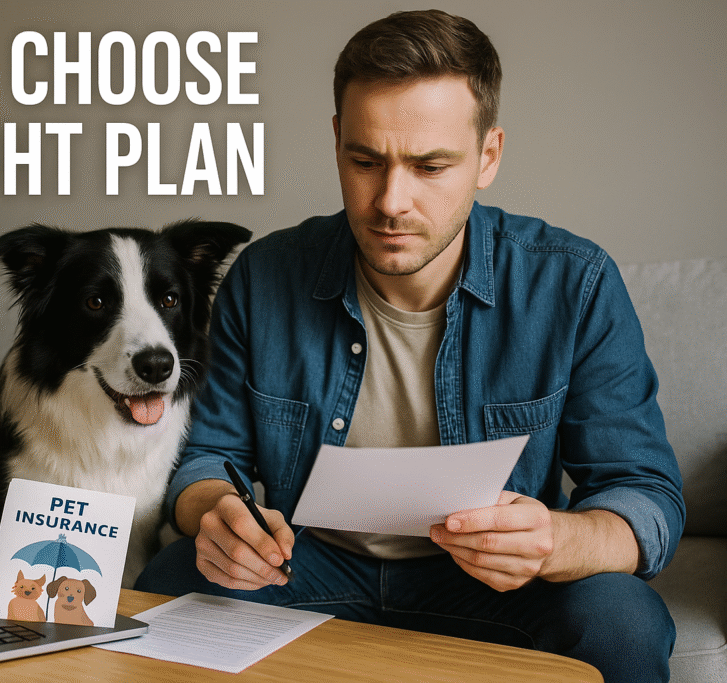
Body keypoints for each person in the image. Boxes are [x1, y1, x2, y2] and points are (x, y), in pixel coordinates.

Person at [135, 9, 684, 683]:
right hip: (304, 563)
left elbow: (646, 494)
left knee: (623, 618)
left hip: (493, 583)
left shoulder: (574, 282)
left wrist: (557, 540)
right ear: (337, 140)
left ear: (488, 156)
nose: (391, 201)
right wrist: (214, 516)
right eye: (365, 160)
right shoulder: (264, 275)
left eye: (430, 165)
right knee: (168, 579)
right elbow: (206, 455)